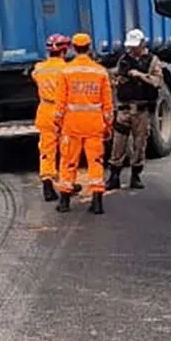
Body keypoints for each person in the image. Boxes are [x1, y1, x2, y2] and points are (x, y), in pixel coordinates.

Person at [53, 32, 114, 214]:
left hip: (72, 126)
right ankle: (97, 202)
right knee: (95, 162)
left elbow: (60, 103)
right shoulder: (100, 72)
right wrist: (108, 125)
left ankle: (64, 202)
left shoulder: (66, 72)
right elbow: (108, 104)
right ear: (89, 47)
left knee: (68, 162)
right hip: (94, 125)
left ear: (72, 48)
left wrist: (58, 123)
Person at [106, 28, 163, 191]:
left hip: (141, 110)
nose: (132, 49)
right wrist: (117, 80)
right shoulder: (124, 60)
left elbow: (158, 82)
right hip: (124, 109)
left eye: (134, 46)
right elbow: (115, 76)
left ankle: (136, 175)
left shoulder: (152, 61)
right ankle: (114, 175)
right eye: (130, 46)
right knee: (118, 143)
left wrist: (139, 75)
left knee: (140, 143)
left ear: (142, 44)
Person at [31, 33, 70, 202]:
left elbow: (35, 76)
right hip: (64, 111)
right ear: (65, 51)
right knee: (66, 149)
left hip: (45, 110)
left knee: (47, 149)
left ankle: (47, 184)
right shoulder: (67, 69)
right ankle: (65, 184)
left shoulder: (39, 68)